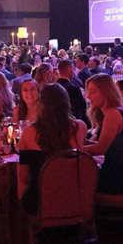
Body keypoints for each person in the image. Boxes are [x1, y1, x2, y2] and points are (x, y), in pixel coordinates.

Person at [18, 83, 87, 215]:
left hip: (42, 200)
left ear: (41, 104)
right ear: (67, 102)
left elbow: (23, 177)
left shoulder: (28, 133)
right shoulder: (80, 127)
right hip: (74, 197)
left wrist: (22, 202)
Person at [83, 74, 123, 195]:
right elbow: (110, 144)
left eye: (92, 92)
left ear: (106, 92)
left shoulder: (112, 114)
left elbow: (100, 149)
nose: (88, 96)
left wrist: (74, 149)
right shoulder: (119, 109)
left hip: (117, 178)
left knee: (73, 179)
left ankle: (85, 212)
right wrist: (83, 143)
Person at [56, 59, 89, 126]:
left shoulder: (52, 88)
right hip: (72, 124)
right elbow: (82, 109)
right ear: (70, 70)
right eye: (73, 69)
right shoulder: (74, 89)